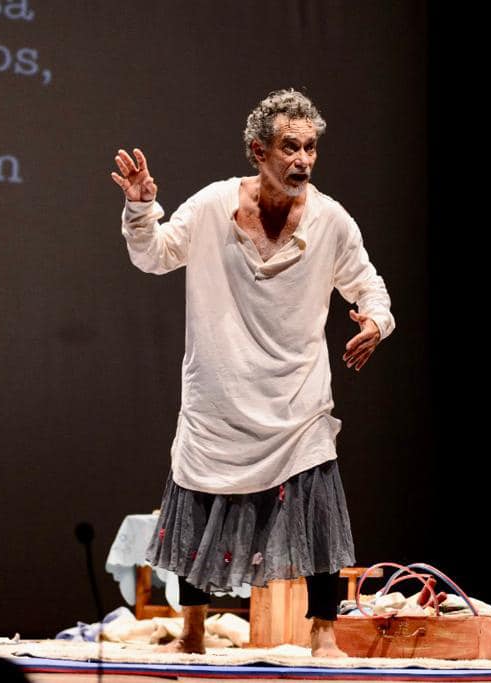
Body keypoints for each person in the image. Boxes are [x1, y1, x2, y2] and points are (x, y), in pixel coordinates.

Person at [111, 89, 394, 657]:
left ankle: (323, 634)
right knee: (198, 504)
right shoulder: (214, 205)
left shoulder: (331, 220)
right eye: (290, 147)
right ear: (258, 151)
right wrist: (141, 209)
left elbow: (368, 285)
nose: (303, 160)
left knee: (317, 513)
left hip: (296, 397)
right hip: (219, 395)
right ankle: (192, 631)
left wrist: (375, 322)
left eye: (310, 147)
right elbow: (154, 255)